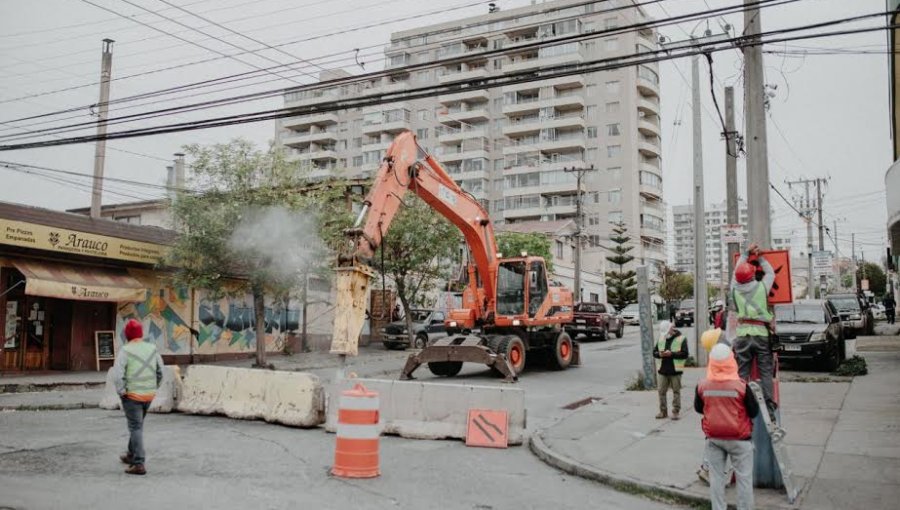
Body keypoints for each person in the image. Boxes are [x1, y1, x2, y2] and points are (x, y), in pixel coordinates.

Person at [695, 343, 760, 510]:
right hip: (740, 439)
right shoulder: (741, 386)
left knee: (716, 478)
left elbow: (698, 408)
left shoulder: (702, 385)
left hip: (714, 438)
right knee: (744, 479)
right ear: (732, 361)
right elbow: (753, 412)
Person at [731, 242, 777, 421]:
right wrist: (760, 257)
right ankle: (770, 410)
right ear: (753, 275)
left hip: (742, 335)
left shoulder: (734, 288)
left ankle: (739, 407)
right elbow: (771, 273)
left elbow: (737, 271)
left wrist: (745, 254)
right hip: (761, 334)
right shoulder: (762, 287)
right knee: (765, 371)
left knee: (742, 373)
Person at [112, 319, 164, 475]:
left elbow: (118, 375)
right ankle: (131, 454)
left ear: (127, 336)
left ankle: (139, 463)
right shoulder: (153, 349)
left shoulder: (125, 350)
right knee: (138, 425)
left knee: (135, 427)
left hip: (132, 395)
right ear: (141, 334)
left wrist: (122, 392)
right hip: (149, 395)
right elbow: (160, 371)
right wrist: (154, 387)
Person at [652, 320, 689, 420]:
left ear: (671, 329)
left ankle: (675, 412)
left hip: (675, 370)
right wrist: (659, 354)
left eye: (667, 331)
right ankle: (663, 412)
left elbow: (685, 354)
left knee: (676, 391)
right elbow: (654, 352)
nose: (666, 334)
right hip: (662, 370)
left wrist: (671, 354)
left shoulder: (681, 339)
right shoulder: (661, 338)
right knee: (661, 392)